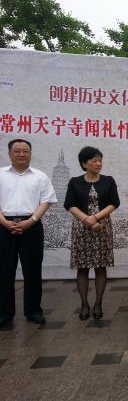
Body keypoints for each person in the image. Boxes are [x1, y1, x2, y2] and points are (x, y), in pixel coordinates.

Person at [0, 139, 57, 328]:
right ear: (10, 153)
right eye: (17, 151)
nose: (22, 154)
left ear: (30, 154)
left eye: (25, 151)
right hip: (3, 225)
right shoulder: (0, 174)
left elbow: (46, 201)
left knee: (32, 270)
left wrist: (30, 221)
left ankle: (33, 310)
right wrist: (6, 223)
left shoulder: (40, 177)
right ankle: (4, 313)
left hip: (31, 226)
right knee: (3, 271)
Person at [64, 147, 120, 320]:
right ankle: (84, 304)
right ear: (83, 163)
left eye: (99, 160)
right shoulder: (75, 182)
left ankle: (98, 303)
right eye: (94, 161)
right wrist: (86, 220)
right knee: (82, 268)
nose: (98, 164)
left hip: (102, 228)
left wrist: (95, 218)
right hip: (82, 229)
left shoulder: (108, 181)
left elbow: (114, 203)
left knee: (100, 267)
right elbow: (70, 204)